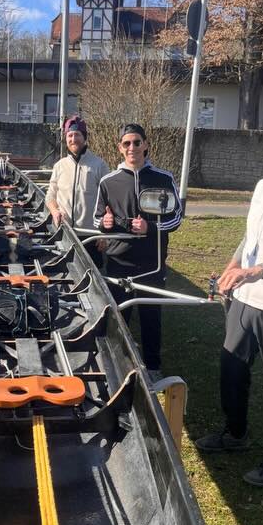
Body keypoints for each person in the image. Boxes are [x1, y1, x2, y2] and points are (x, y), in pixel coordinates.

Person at [196, 114, 263, 486]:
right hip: (245, 298)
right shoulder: (262, 186)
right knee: (232, 370)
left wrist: (258, 271)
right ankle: (236, 433)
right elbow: (251, 237)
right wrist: (233, 266)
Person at [91, 123, 184, 375]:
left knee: (151, 319)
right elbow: (97, 217)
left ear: (145, 144)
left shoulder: (164, 178)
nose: (132, 147)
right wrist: (105, 223)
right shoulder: (108, 181)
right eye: (126, 143)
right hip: (119, 264)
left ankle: (153, 369)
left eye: (137, 142)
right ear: (120, 148)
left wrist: (150, 228)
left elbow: (176, 218)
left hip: (152, 264)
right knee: (119, 321)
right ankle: (119, 367)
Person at [45, 114, 109, 235]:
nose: (73, 139)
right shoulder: (59, 166)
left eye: (77, 135)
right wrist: (54, 211)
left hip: (91, 235)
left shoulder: (99, 165)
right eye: (70, 135)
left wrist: (104, 234)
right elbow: (50, 196)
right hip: (64, 233)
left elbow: (109, 202)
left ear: (84, 138)